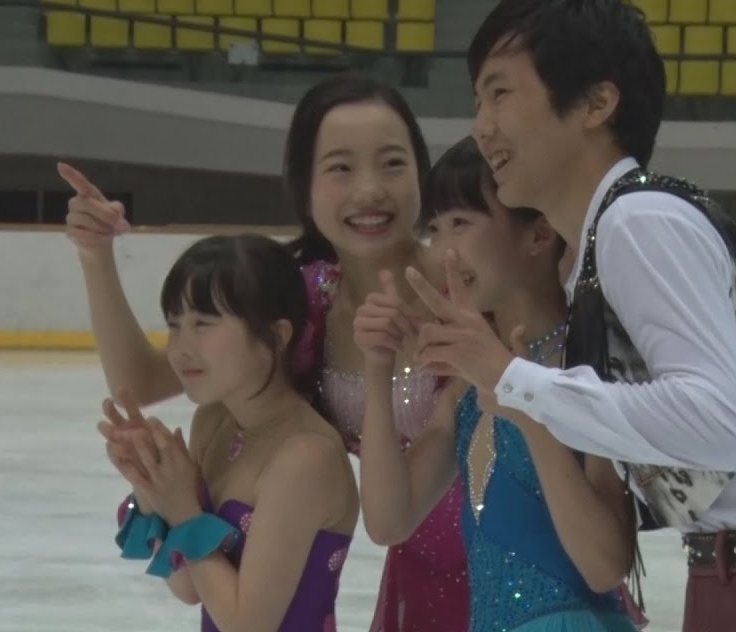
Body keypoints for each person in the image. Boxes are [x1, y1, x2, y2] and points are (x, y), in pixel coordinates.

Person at [404, 0, 736, 632]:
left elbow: (719, 424)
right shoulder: (615, 238)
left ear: (595, 103)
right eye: (478, 100)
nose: (481, 128)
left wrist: (513, 380)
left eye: (501, 93)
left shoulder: (638, 221)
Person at [59, 73, 469, 632]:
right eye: (341, 168)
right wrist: (95, 258)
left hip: (514, 560)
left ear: (421, 173)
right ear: (304, 187)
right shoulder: (306, 301)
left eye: (393, 163)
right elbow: (145, 380)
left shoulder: (468, 285)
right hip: (417, 572)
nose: (370, 189)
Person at [356, 138, 644, 632]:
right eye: (434, 229)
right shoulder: (466, 389)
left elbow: (604, 566)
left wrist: (527, 407)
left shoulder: (588, 365)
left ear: (539, 235)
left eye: (461, 223)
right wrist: (377, 367)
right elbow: (389, 521)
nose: (444, 252)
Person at [99, 234, 358, 631]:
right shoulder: (214, 422)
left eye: (203, 324)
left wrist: (183, 508)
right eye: (174, 325)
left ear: (277, 335)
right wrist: (151, 481)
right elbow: (188, 586)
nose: (180, 348)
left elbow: (247, 625)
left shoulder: (306, 458)